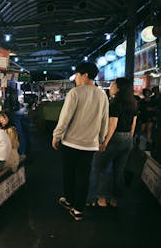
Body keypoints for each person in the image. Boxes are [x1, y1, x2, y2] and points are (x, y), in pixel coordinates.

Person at [52, 62, 109, 221]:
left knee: (69, 172)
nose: (75, 79)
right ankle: (78, 209)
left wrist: (56, 136)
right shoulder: (102, 95)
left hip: (70, 142)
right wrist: (101, 140)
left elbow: (65, 118)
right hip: (90, 144)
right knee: (84, 175)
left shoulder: (75, 93)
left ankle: (69, 200)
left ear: (85, 75)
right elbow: (104, 120)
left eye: (77, 75)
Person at [93, 78, 137, 208]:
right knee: (119, 170)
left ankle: (101, 198)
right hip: (128, 138)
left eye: (113, 84)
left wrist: (105, 142)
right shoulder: (133, 102)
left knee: (101, 167)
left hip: (115, 138)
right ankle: (114, 199)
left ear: (119, 88)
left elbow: (113, 125)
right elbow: (133, 123)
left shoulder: (115, 103)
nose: (111, 87)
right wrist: (129, 138)